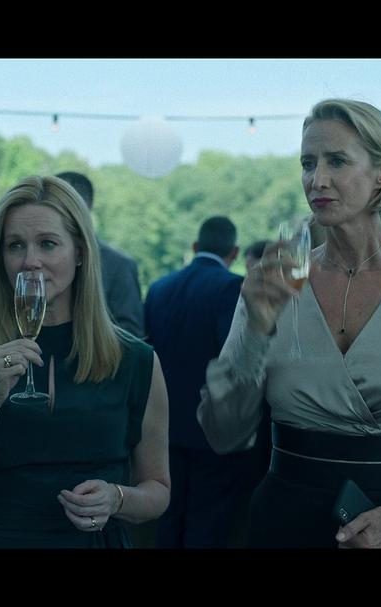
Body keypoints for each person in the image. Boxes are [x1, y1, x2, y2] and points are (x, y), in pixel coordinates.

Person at [197, 99, 381, 548]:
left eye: (337, 161)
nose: (317, 179)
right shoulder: (275, 283)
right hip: (286, 526)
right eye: (308, 163)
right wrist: (255, 333)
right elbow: (223, 433)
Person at [0, 175, 170, 548]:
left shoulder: (135, 360)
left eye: (48, 244)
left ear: (80, 252)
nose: (30, 261)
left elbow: (158, 490)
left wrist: (117, 498)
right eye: (15, 245)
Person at [145, 216, 248, 548]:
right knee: (206, 525)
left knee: (167, 520)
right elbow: (233, 360)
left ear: (194, 246)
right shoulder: (232, 287)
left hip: (162, 427)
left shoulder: (158, 288)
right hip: (210, 430)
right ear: (235, 251)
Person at [55, 171, 145, 339]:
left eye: (60, 204)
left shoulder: (119, 266)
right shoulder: (33, 261)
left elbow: (131, 335)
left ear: (85, 206)